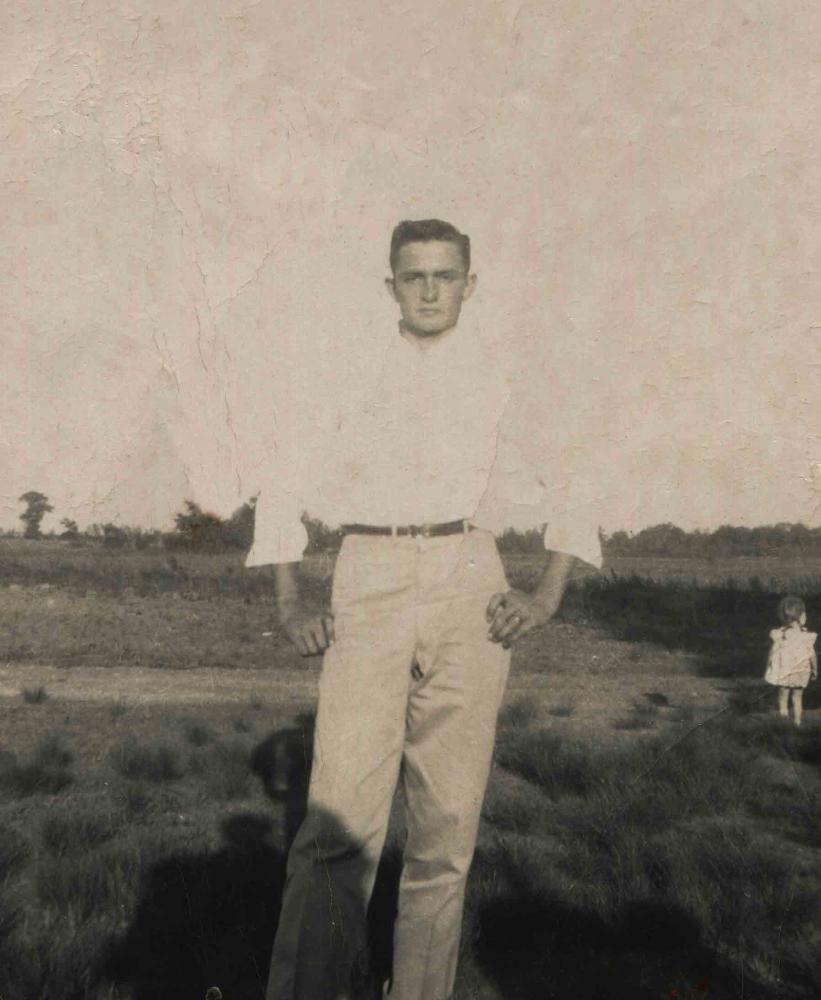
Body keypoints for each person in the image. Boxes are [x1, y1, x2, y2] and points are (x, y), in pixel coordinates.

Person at [246, 219, 601, 1000]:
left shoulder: (502, 377)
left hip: (470, 576)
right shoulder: (349, 372)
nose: (432, 290)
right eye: (416, 277)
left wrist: (543, 593)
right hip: (368, 574)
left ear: (470, 285)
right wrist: (289, 601)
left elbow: (576, 474)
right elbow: (280, 480)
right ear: (392, 287)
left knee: (446, 835)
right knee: (339, 826)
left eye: (447, 276)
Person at [764, 594, 817, 726]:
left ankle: (783, 719)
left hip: (785, 670)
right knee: (798, 696)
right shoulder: (806, 635)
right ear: (802, 617)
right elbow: (812, 655)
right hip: (801, 670)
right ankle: (797, 722)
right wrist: (815, 669)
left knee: (783, 694)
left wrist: (768, 666)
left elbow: (773, 651)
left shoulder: (780, 634)